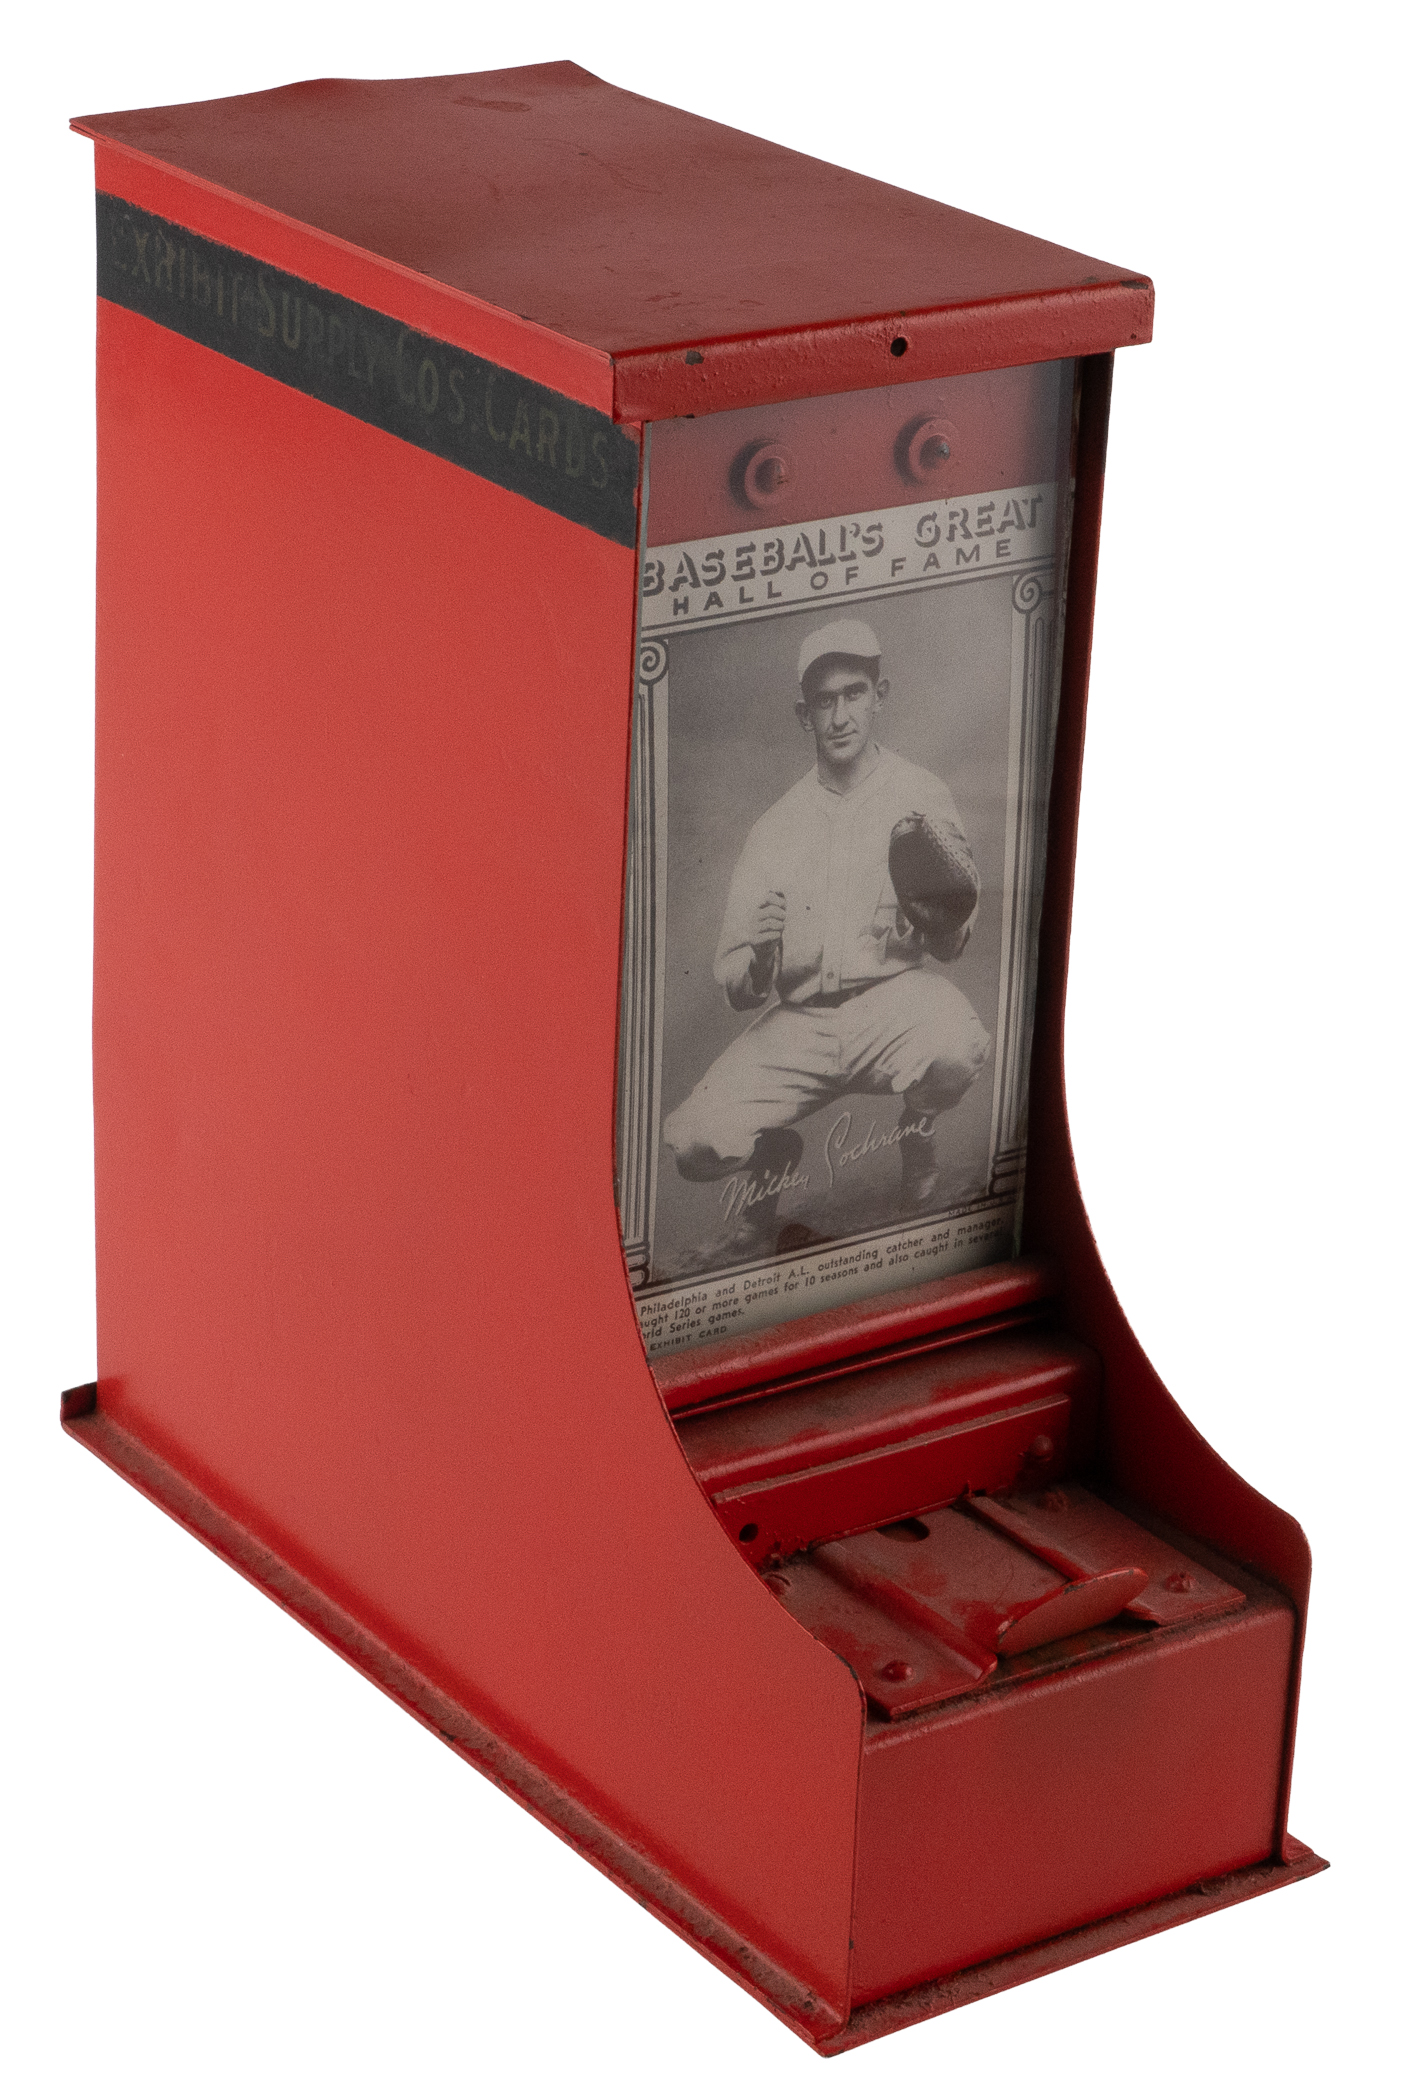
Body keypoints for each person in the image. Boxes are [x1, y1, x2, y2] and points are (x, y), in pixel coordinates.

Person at [662, 619, 992, 1257]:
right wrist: (758, 960)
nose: (840, 716)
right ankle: (773, 1154)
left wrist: (941, 919)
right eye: (823, 700)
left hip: (891, 1007)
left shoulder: (920, 795)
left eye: (854, 693)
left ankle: (917, 1130)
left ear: (879, 695)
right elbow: (734, 980)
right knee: (695, 1144)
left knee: (959, 1047)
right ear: (803, 714)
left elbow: (956, 939)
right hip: (801, 1026)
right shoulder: (774, 828)